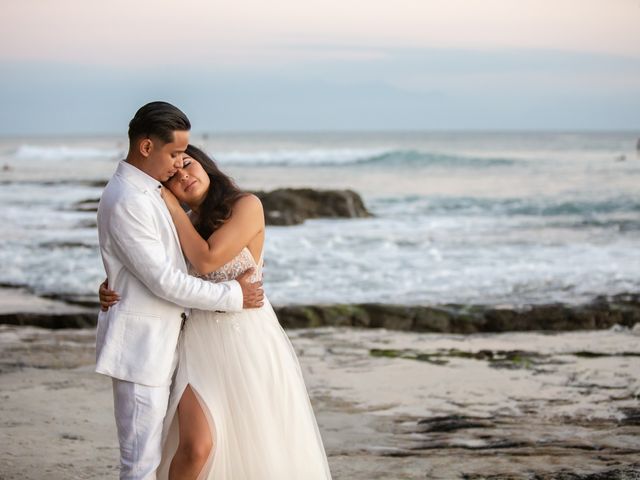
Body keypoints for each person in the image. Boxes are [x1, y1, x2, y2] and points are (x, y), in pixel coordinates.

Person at [100, 144, 333, 479]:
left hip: (248, 339)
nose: (184, 176)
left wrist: (172, 207)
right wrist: (109, 286)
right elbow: (151, 268)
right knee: (197, 447)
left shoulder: (246, 205)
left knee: (258, 442)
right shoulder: (178, 223)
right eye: (174, 175)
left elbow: (208, 258)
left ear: (206, 165)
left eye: (189, 165)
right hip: (197, 342)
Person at [96, 101, 264, 480]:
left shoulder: (152, 194)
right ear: (146, 147)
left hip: (185, 341)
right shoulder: (129, 199)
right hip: (147, 346)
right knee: (141, 464)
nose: (178, 165)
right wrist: (234, 296)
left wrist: (116, 280)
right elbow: (166, 279)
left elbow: (158, 262)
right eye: (174, 154)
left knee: (181, 449)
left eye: (186, 159)